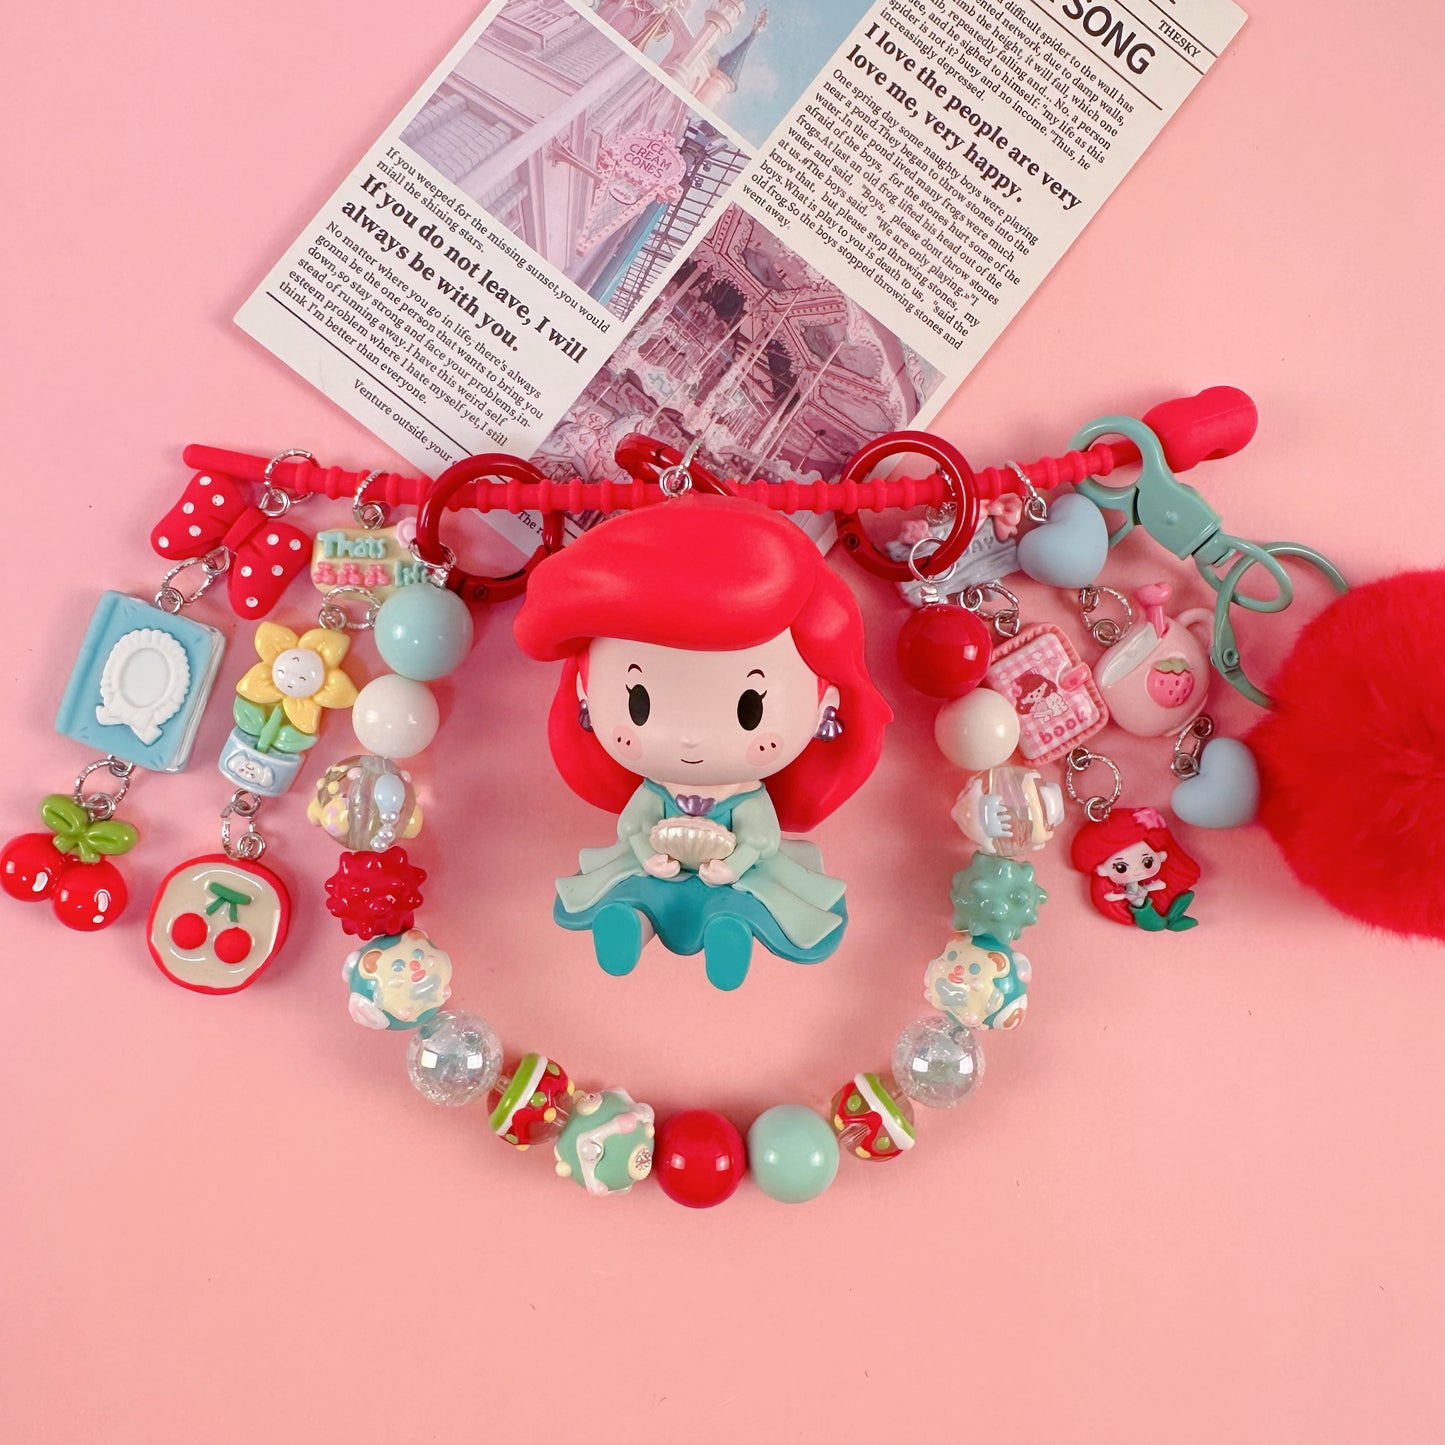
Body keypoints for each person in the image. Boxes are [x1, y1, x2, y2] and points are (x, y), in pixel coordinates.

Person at [514, 493, 892, 988]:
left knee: (741, 902)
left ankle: (728, 933)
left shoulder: (746, 798)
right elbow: (634, 827)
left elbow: (760, 841)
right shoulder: (654, 793)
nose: (690, 738)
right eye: (638, 702)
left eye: (750, 709)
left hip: (735, 874)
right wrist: (647, 854)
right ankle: (629, 925)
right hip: (657, 867)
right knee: (633, 891)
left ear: (827, 705)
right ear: (586, 693)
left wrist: (733, 864)